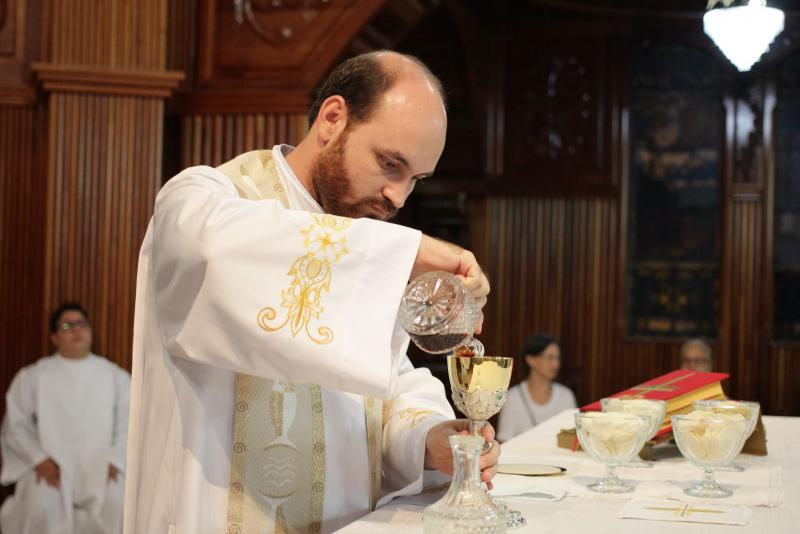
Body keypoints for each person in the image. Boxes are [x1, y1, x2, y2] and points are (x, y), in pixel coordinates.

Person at [123, 50, 497, 534]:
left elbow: (389, 387)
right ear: (333, 118)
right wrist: (405, 253)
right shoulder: (201, 197)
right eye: (389, 164)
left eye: (415, 180)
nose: (398, 197)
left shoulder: (362, 254)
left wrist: (430, 437)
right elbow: (207, 251)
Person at [0, 302, 131, 534]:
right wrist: (38, 459)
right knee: (38, 507)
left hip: (103, 468)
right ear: (54, 337)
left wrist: (115, 460)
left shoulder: (115, 377)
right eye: (67, 325)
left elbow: (129, 422)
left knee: (119, 506)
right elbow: (15, 425)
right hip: (51, 470)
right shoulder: (34, 376)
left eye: (81, 324)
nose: (76, 330)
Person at [497, 333, 577, 443]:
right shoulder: (512, 397)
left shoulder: (566, 396)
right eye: (550, 358)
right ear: (531, 360)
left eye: (557, 358)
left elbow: (572, 438)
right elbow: (504, 441)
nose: (556, 364)